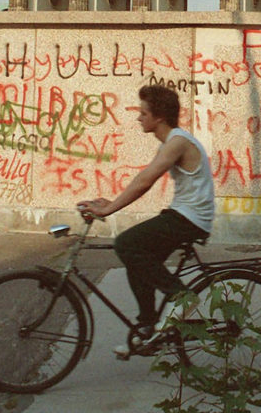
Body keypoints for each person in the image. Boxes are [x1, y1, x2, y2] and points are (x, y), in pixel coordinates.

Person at [78, 85, 214, 355]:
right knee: (137, 259)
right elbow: (143, 178)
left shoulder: (177, 142)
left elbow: (145, 181)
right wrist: (110, 202)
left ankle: (181, 296)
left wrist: (110, 210)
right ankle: (148, 329)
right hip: (184, 214)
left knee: (126, 244)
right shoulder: (171, 142)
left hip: (190, 218)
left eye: (143, 113)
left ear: (159, 116)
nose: (139, 118)